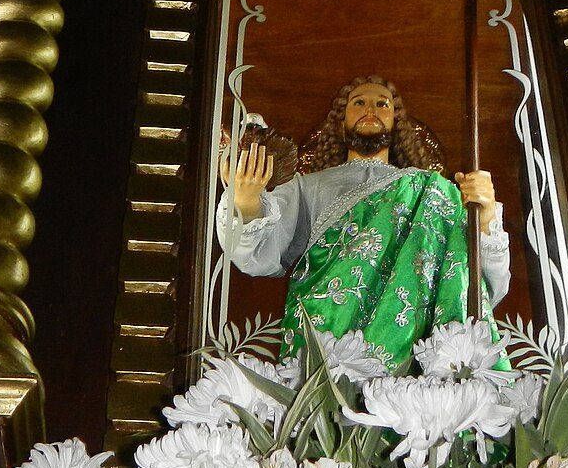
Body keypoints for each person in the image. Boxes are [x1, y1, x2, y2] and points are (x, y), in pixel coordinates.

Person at [216, 75, 509, 370]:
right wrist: (247, 204)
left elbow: (479, 288)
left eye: (382, 104)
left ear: (396, 122)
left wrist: (483, 219)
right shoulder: (306, 187)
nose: (370, 109)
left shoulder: (431, 192)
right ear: (340, 121)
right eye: (359, 102)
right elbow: (258, 256)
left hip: (410, 352)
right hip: (329, 334)